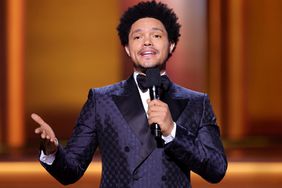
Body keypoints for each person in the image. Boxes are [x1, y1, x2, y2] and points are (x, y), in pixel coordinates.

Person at [31, 1, 227, 187]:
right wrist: (53, 151)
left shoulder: (196, 102)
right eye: (138, 36)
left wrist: (172, 131)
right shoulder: (101, 100)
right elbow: (71, 171)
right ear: (127, 48)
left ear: (172, 45)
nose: (147, 42)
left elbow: (216, 169)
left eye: (156, 36)